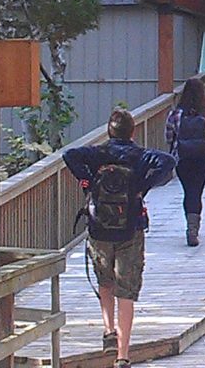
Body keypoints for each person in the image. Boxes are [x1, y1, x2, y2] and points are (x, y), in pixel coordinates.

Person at [64, 108, 175, 368]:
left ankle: (108, 330)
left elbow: (69, 155)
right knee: (127, 290)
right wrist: (142, 186)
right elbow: (168, 161)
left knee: (106, 281)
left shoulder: (97, 153)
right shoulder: (140, 155)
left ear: (108, 130)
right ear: (132, 131)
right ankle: (123, 355)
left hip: (99, 228)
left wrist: (88, 181)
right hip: (130, 229)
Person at [164, 77, 205, 247]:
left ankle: (190, 226)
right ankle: (194, 229)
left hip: (182, 157)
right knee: (196, 192)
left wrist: (172, 150)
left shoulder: (176, 113)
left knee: (188, 191)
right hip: (202, 157)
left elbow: (169, 135)